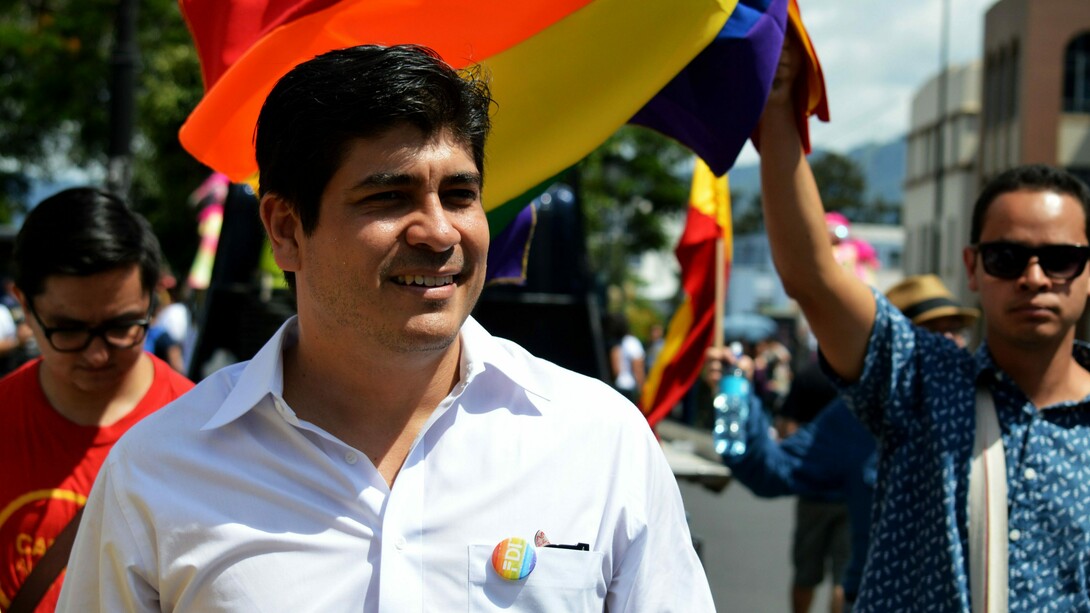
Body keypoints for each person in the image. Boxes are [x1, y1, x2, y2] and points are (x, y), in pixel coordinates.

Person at [57, 44, 712, 611]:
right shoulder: (159, 470)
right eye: (388, 198)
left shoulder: (601, 440)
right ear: (286, 230)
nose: (438, 231)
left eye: (460, 194)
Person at [757, 29, 1090, 612]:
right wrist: (779, 104)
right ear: (972, 267)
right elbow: (813, 276)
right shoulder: (920, 385)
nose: (1035, 278)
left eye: (1059, 259)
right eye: (1007, 258)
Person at [706, 274, 980, 613]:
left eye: (957, 332)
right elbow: (770, 471)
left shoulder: (995, 409)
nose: (952, 344)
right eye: (935, 334)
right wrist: (736, 392)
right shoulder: (856, 419)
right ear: (893, 350)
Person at [0, 188, 195, 612]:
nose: (97, 354)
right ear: (24, 307)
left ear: (152, 301)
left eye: (122, 325)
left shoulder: (208, 432)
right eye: (67, 329)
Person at [606, 312, 646, 403]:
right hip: (630, 387)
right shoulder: (632, 342)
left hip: (618, 385)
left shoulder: (615, 344)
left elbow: (616, 369)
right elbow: (638, 368)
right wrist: (641, 388)